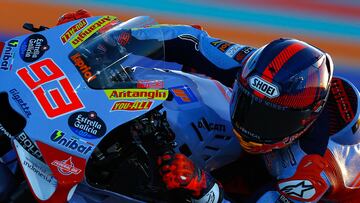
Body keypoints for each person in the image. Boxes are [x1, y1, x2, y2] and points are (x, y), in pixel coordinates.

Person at [57, 10, 360, 203]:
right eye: (249, 104)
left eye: (269, 120)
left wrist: (204, 186)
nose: (252, 124)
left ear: (304, 121)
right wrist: (115, 42)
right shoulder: (252, 65)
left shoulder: (310, 170)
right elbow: (192, 40)